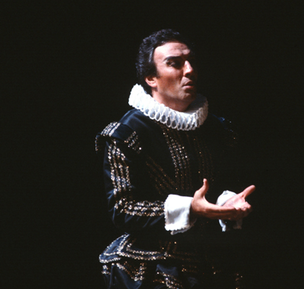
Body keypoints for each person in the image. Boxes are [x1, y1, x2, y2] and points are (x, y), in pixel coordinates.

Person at [95, 29, 255, 288]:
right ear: (151, 78)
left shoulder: (220, 129)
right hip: (155, 267)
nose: (189, 70)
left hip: (216, 264)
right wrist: (191, 207)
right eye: (175, 64)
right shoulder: (127, 133)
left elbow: (229, 183)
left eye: (191, 62)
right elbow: (122, 209)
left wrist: (229, 203)